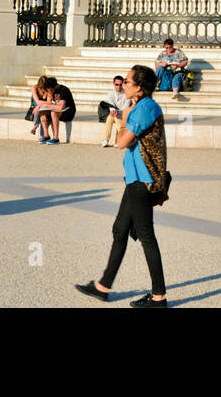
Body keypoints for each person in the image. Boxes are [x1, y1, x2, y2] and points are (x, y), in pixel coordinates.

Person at [75, 64, 169, 308]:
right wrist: (127, 114)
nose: (123, 84)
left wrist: (125, 118)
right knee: (120, 230)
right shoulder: (140, 106)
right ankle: (103, 286)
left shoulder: (145, 108)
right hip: (135, 178)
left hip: (143, 179)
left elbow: (121, 142)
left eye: (127, 81)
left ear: (139, 87)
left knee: (147, 236)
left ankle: (159, 297)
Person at [100, 74, 130, 148]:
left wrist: (117, 112)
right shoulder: (110, 93)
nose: (118, 86)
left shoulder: (127, 93)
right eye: (117, 84)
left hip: (124, 114)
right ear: (114, 84)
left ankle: (106, 139)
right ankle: (117, 140)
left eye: (120, 85)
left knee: (113, 117)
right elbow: (111, 104)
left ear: (123, 84)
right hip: (114, 114)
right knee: (112, 116)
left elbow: (126, 107)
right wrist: (114, 111)